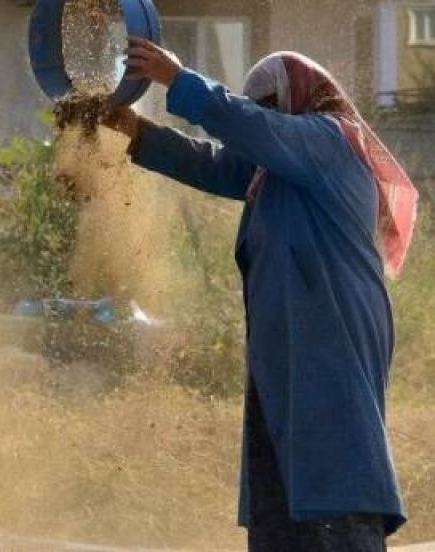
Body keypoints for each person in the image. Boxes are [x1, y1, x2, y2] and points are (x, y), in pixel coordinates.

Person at [105, 37, 418, 552]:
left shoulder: (330, 141)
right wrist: (133, 131)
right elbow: (215, 162)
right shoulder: (274, 172)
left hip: (331, 337)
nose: (265, 122)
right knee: (284, 485)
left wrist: (178, 80)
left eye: (271, 109)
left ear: (298, 100)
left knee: (337, 470)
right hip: (291, 349)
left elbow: (254, 129)